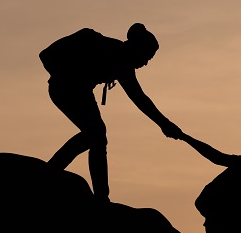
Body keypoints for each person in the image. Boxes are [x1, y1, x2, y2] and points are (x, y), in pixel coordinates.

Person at [41, 22, 183, 201]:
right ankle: (57, 175)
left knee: (96, 136)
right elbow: (139, 99)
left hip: (80, 91)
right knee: (96, 134)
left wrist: (165, 124)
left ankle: (93, 192)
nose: (145, 63)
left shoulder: (122, 62)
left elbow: (140, 99)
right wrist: (64, 75)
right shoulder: (107, 49)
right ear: (136, 48)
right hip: (65, 89)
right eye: (146, 57)